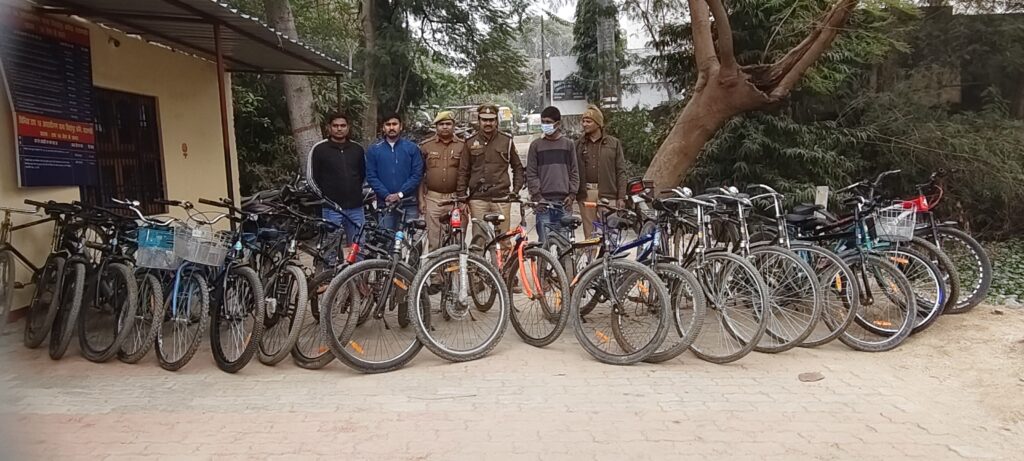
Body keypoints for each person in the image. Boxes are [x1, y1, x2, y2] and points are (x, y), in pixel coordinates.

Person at [456, 104, 524, 246]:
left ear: (496, 121)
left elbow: (517, 167)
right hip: (477, 199)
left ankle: (501, 262)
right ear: (479, 121)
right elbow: (463, 171)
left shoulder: (506, 141)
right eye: (484, 120)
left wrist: (516, 190)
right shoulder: (470, 142)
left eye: (491, 120)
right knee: (478, 241)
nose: (488, 123)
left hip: (502, 197)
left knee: (504, 241)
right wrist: (462, 196)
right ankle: (479, 261)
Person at [306, 112, 365, 264]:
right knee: (330, 249)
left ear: (348, 127)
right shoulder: (319, 149)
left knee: (358, 247)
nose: (339, 129)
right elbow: (311, 179)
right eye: (335, 126)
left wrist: (355, 193)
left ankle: (358, 277)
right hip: (331, 209)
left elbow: (362, 175)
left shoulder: (357, 149)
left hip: (356, 208)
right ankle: (330, 277)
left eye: (343, 126)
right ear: (329, 128)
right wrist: (325, 200)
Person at [526, 106, 579, 244]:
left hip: (564, 203)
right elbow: (531, 174)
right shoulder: (536, 146)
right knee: (544, 245)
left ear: (558, 124)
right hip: (544, 203)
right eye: (543, 122)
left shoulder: (568, 145)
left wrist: (572, 195)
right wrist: (537, 197)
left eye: (548, 122)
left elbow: (574, 171)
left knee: (564, 245)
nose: (545, 125)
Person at [365, 112, 424, 230]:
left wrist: (400, 194)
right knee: (386, 239)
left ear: (401, 126)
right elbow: (371, 176)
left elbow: (417, 174)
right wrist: (386, 195)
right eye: (388, 124)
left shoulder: (412, 148)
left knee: (409, 239)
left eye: (394, 124)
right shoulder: (374, 150)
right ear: (383, 127)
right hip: (385, 204)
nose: (391, 127)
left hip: (409, 203)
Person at [575, 105, 627, 238]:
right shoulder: (578, 145)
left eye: (588, 121)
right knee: (590, 234)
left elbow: (621, 171)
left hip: (608, 194)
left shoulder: (614, 143)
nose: (584, 124)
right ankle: (591, 253)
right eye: (583, 121)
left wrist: (621, 196)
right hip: (586, 193)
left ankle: (610, 253)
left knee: (611, 232)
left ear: (598, 124)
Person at [418, 111, 465, 250]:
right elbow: (419, 175)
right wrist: (421, 200)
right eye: (441, 124)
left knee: (458, 243)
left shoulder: (463, 146)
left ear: (454, 126)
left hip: (456, 199)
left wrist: (464, 200)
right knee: (435, 242)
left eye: (448, 124)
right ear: (436, 126)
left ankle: (456, 265)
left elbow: (467, 173)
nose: (445, 127)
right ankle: (436, 265)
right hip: (433, 199)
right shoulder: (426, 146)